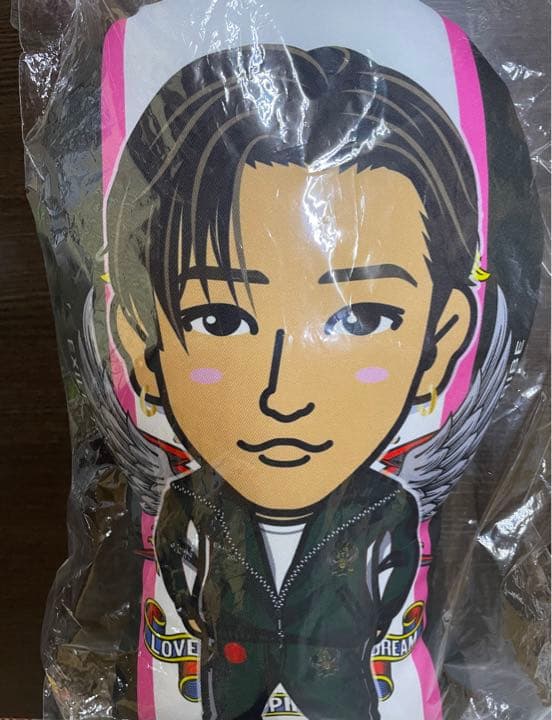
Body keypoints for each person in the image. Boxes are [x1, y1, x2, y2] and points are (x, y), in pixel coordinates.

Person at [102, 44, 482, 719]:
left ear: (442, 340)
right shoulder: (188, 497)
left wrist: (370, 632)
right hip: (227, 684)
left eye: (364, 317)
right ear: (138, 337)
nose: (283, 396)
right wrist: (194, 617)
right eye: (219, 318)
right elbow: (168, 549)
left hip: (342, 689)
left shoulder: (386, 502)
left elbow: (399, 571)